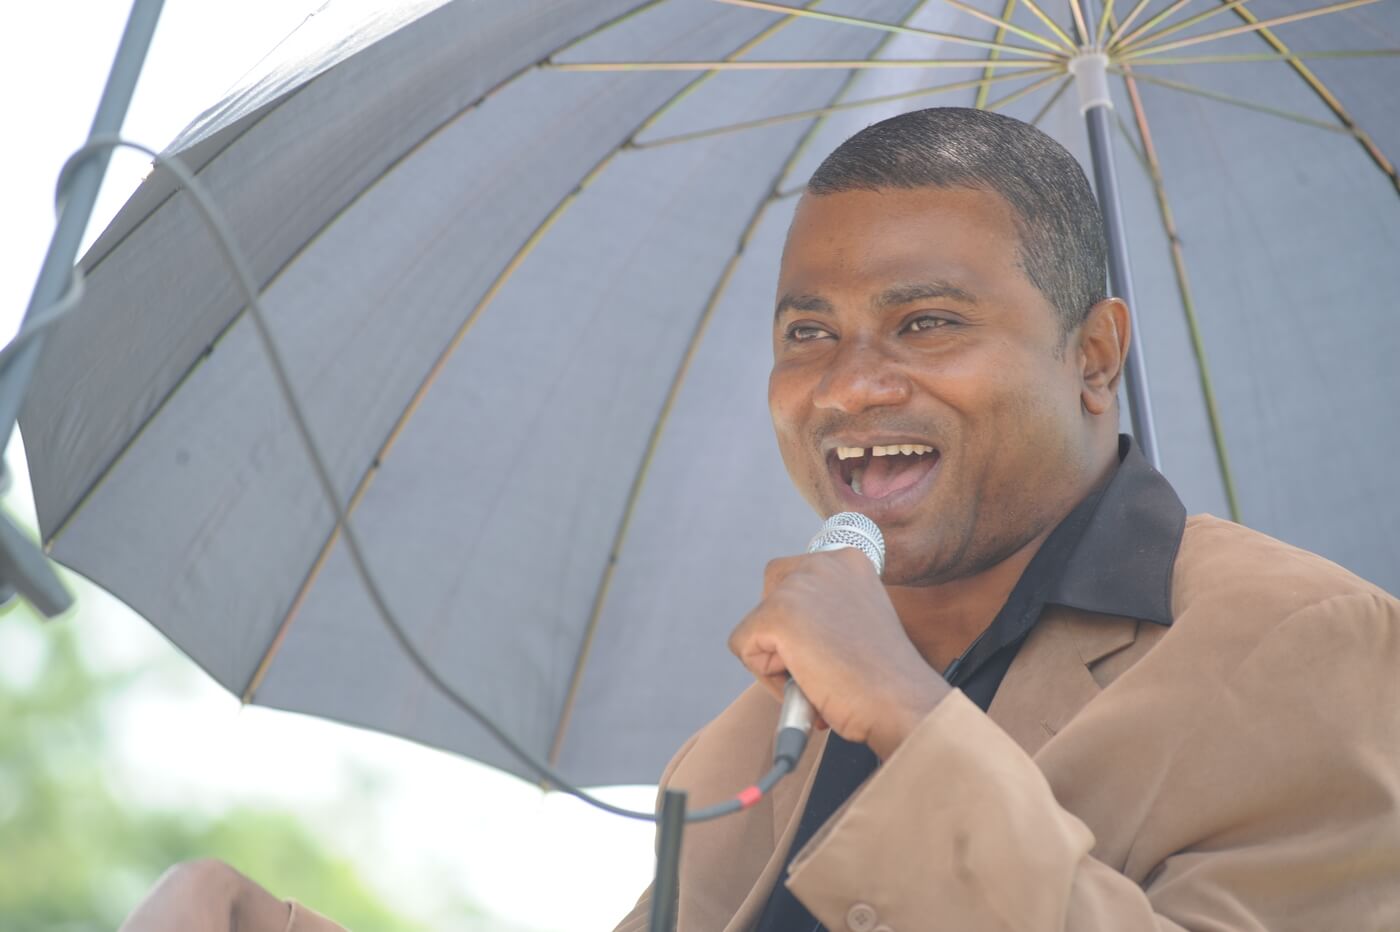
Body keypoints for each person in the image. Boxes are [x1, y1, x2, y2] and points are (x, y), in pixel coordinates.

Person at [121, 108, 1400, 931]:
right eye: (807, 334)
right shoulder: (747, 738)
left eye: (926, 322)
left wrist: (910, 709)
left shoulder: (1307, 642)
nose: (849, 386)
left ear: (1093, 351)